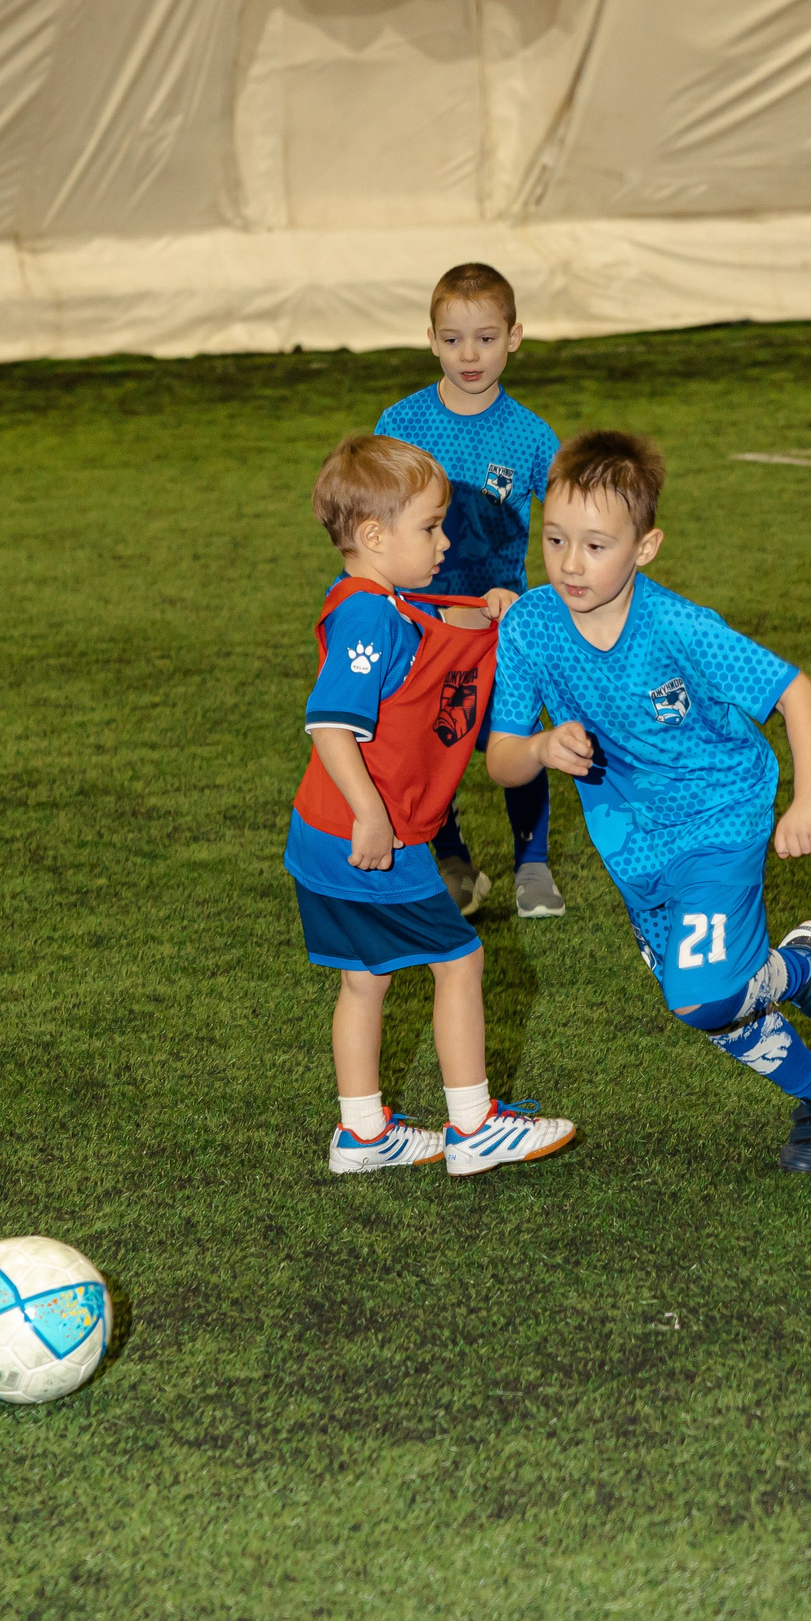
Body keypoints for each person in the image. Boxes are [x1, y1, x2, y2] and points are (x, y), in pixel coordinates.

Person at [484, 430, 811, 1172]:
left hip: (719, 817)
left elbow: (797, 693)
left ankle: (801, 970)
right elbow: (501, 758)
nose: (570, 563)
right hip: (633, 845)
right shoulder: (530, 625)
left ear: (645, 547)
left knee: (700, 995)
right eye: (556, 539)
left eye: (596, 546)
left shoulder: (679, 627)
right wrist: (538, 749)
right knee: (707, 1005)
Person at [288, 433, 574, 1177]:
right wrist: (371, 814)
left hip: (319, 834)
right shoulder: (369, 617)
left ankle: (362, 1134)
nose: (446, 542)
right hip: (369, 837)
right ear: (374, 536)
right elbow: (330, 725)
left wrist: (492, 610)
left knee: (365, 978)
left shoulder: (374, 600)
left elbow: (434, 627)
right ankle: (474, 1126)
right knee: (460, 959)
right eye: (431, 528)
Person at [375, 263, 566, 920]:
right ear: (431, 339)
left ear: (514, 337)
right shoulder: (401, 423)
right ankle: (452, 861)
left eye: (486, 338)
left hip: (498, 623)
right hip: (420, 623)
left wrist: (546, 599)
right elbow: (377, 516)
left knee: (514, 735)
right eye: (453, 340)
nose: (470, 355)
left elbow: (568, 516)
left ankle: (532, 865)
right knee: (429, 742)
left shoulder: (532, 435)